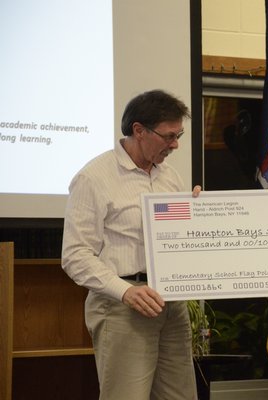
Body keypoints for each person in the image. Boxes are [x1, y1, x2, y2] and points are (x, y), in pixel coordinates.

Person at [62, 89, 200, 400]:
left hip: (170, 304)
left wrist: (198, 214)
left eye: (179, 135)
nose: (176, 145)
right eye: (168, 136)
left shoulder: (170, 177)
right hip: (122, 306)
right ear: (138, 130)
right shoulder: (93, 178)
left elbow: (176, 239)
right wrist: (125, 292)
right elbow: (75, 256)